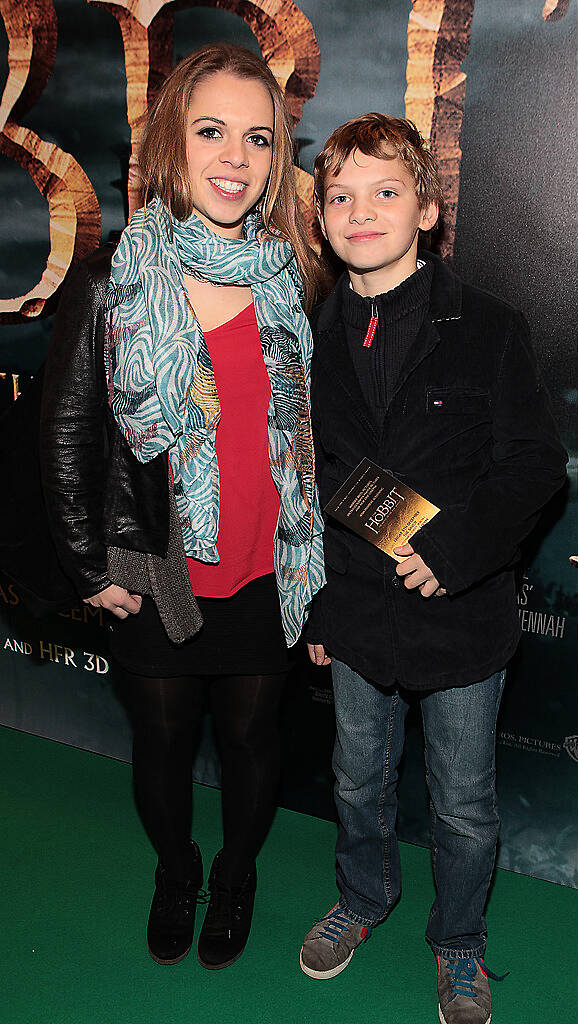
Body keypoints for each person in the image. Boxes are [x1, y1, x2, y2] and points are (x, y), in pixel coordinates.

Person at [40, 43, 325, 971]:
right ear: (172, 140)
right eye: (212, 131)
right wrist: (91, 566)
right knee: (162, 746)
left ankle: (236, 875)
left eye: (256, 137)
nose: (235, 157)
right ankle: (177, 870)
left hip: (263, 565)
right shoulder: (110, 280)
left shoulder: (292, 282)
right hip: (157, 568)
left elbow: (314, 437)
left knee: (251, 740)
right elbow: (68, 436)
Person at [299, 114, 566, 1024]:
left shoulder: (490, 326)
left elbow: (534, 464)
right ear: (322, 219)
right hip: (357, 616)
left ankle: (460, 945)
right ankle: (364, 898)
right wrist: (320, 612)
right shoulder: (312, 336)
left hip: (462, 616)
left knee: (462, 805)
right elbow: (318, 478)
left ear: (428, 208)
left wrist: (454, 552)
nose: (360, 210)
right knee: (355, 780)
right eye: (340, 195)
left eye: (384, 191)